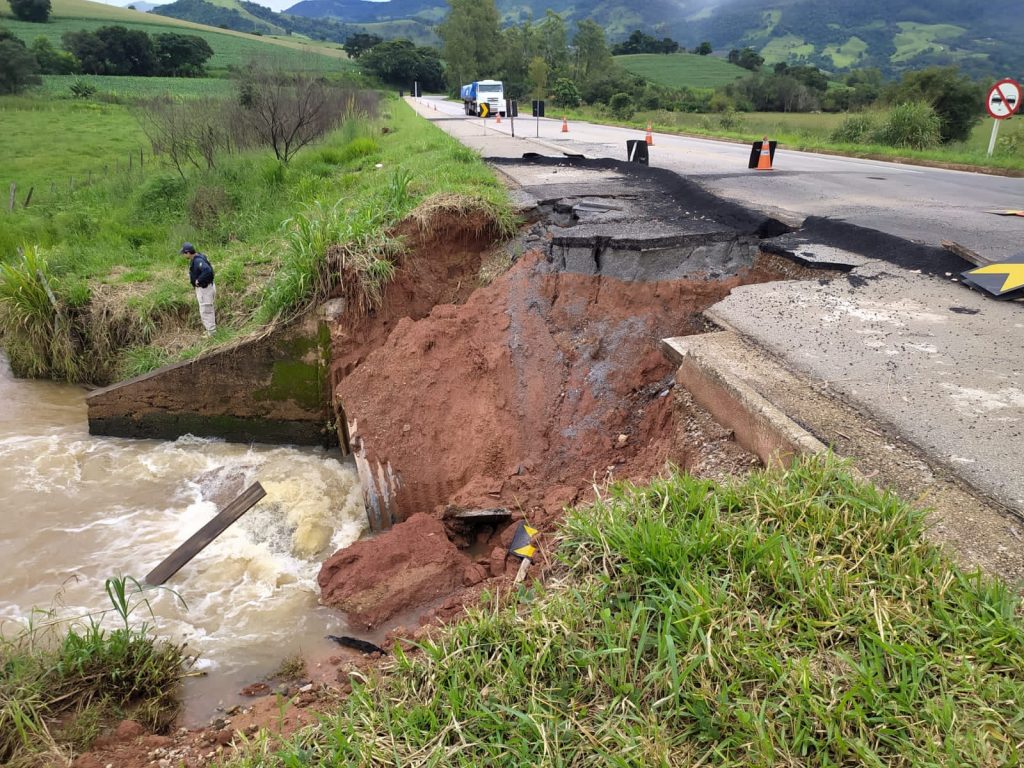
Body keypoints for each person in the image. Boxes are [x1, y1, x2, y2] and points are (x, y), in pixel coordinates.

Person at [181, 242, 216, 335]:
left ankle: (212, 333)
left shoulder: (197, 261)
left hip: (205, 290)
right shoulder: (200, 256)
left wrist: (198, 281)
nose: (183, 255)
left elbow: (208, 270)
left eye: (184, 253)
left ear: (188, 253)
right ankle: (210, 331)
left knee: (206, 311)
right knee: (207, 310)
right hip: (207, 287)